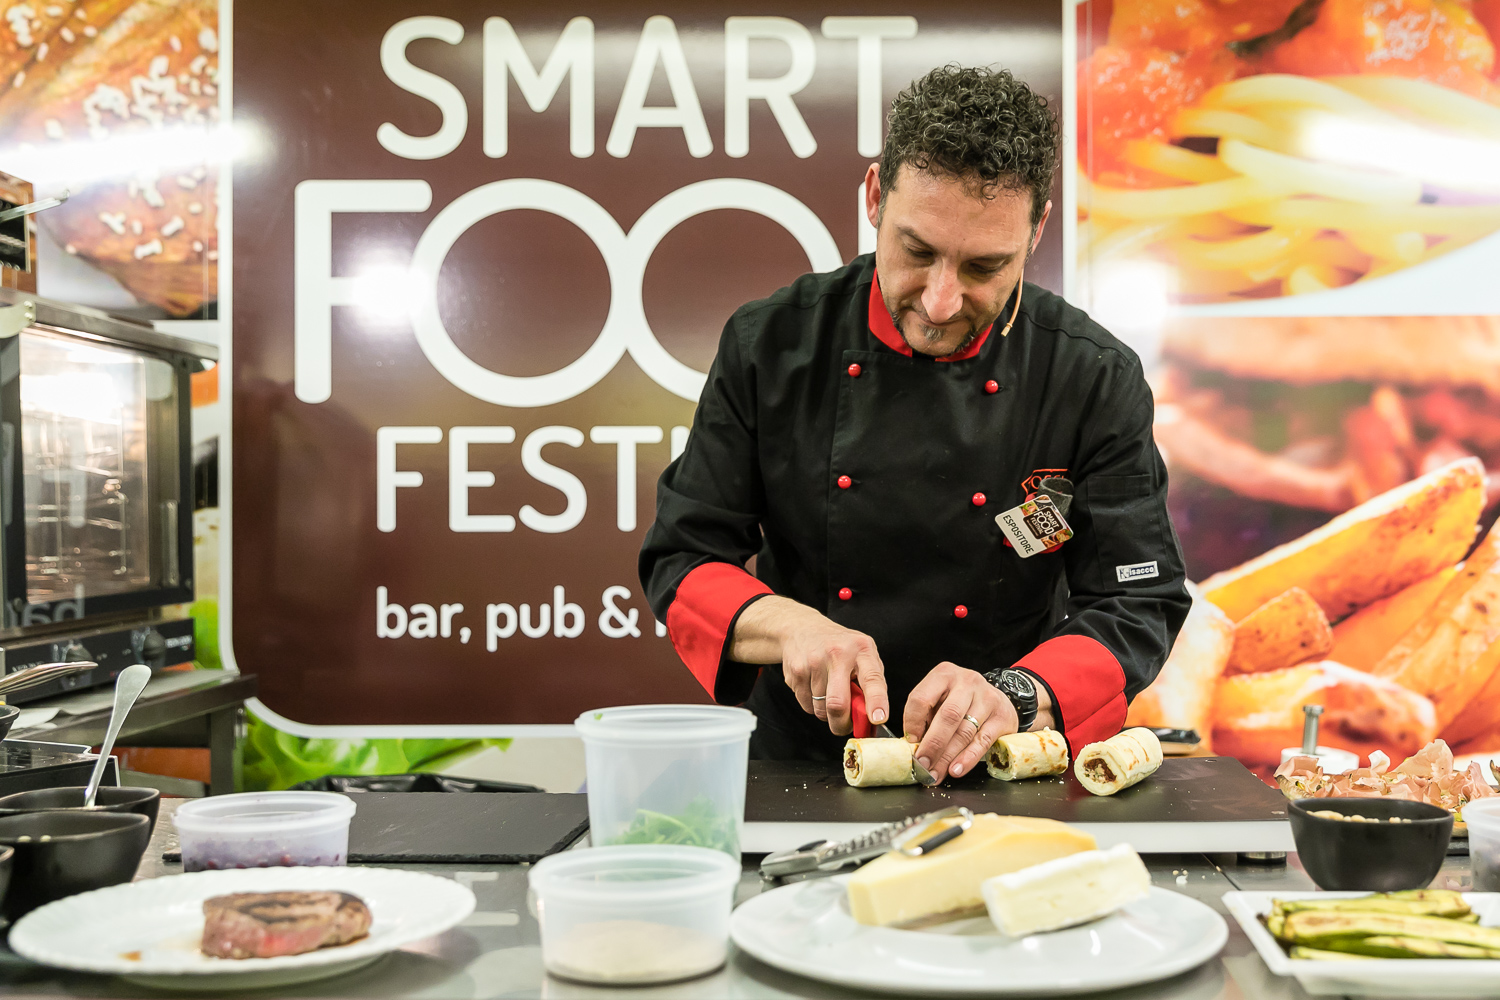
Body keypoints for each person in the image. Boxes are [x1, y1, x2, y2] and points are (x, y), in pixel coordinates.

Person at [639, 65, 1191, 782]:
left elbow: (1136, 598)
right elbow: (683, 559)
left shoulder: (1091, 376)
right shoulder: (771, 345)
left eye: (984, 266)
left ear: (1037, 229)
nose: (939, 301)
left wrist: (1020, 692)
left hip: (1004, 760)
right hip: (804, 763)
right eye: (918, 252)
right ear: (875, 196)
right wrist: (789, 626)